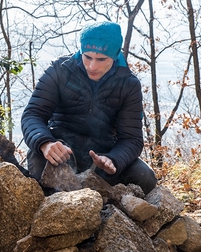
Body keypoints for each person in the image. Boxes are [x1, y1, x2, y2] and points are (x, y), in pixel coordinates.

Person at [21, 21, 157, 195]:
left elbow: (132, 139)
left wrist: (113, 159)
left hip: (102, 155)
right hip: (61, 150)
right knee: (41, 164)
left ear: (115, 55)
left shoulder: (128, 84)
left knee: (145, 176)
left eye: (101, 59)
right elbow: (32, 114)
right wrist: (45, 143)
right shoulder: (60, 70)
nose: (92, 66)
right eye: (87, 57)